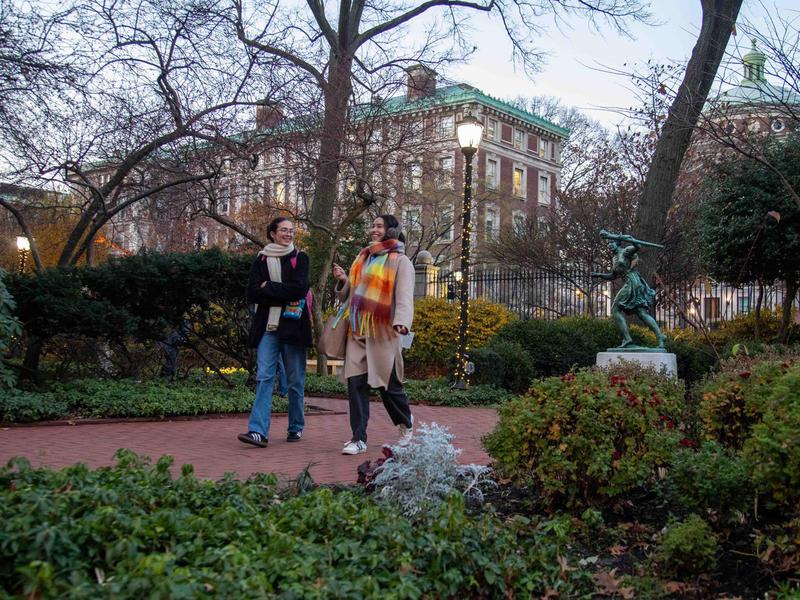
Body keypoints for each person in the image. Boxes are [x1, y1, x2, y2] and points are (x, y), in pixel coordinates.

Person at [332, 214, 415, 455]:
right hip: (357, 331)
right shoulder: (363, 257)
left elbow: (405, 296)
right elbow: (354, 293)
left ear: (391, 231)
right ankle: (358, 438)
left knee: (387, 386)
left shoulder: (401, 261)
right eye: (373, 225)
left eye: (379, 226)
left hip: (383, 332)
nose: (374, 230)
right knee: (355, 383)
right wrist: (344, 281)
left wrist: (402, 322)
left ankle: (406, 422)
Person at [238, 217, 312, 447]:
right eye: (283, 230)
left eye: (291, 231)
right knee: (264, 377)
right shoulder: (261, 259)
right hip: (268, 328)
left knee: (294, 381)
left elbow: (299, 289)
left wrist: (267, 287)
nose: (288, 234)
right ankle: (258, 431)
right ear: (272, 233)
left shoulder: (300, 257)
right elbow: (251, 293)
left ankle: (296, 427)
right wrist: (281, 291)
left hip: (293, 326)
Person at [592, 230, 667, 349]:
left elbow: (637, 246)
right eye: (608, 244)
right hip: (631, 282)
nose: (609, 245)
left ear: (617, 243)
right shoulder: (615, 258)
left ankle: (627, 339)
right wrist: (599, 275)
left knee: (615, 309)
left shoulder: (625, 251)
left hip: (633, 282)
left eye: (611, 242)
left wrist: (623, 236)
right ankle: (660, 336)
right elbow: (614, 276)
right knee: (641, 313)